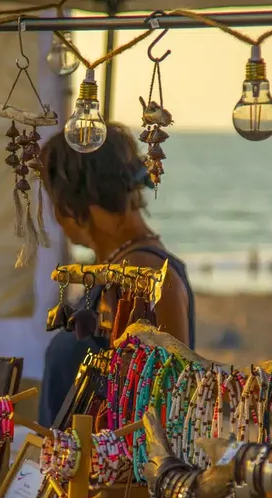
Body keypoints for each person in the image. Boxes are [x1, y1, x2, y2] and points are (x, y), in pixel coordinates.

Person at [38, 123, 195, 426]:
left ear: (72, 206)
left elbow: (165, 405)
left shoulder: (140, 275)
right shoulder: (122, 266)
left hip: (109, 470)